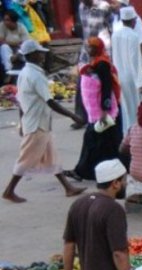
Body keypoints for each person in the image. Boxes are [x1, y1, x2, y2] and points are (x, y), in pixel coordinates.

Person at [3, 40, 85, 203]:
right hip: (37, 124)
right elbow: (50, 102)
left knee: (52, 157)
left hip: (34, 121)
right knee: (25, 159)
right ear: (32, 55)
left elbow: (20, 100)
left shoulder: (24, 73)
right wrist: (73, 116)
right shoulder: (35, 76)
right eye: (39, 53)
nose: (42, 55)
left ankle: (68, 188)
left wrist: (21, 121)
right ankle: (9, 190)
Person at [64, 37, 124, 182]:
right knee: (108, 143)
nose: (89, 50)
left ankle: (82, 171)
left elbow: (106, 87)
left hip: (105, 112)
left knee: (93, 140)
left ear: (98, 48)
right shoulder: (96, 61)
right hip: (103, 112)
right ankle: (115, 169)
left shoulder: (102, 64)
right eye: (88, 47)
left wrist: (105, 109)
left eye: (91, 47)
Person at [74, 0, 113, 128]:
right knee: (82, 83)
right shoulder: (81, 7)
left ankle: (106, 114)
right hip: (87, 50)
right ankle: (81, 117)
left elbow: (111, 28)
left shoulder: (104, 7)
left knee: (103, 85)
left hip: (102, 49)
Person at [111, 6, 142, 134]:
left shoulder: (115, 35)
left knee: (126, 108)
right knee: (136, 106)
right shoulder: (133, 36)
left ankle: (128, 133)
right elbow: (134, 61)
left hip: (119, 75)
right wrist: (139, 83)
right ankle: (138, 133)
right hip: (132, 77)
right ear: (133, 21)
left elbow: (114, 57)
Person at [0, 10, 29, 78]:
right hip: (8, 49)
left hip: (19, 50)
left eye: (7, 20)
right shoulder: (2, 25)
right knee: (4, 47)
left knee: (24, 50)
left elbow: (25, 43)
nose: (5, 22)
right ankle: (8, 71)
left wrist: (17, 52)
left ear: (13, 21)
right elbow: (1, 41)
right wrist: (15, 43)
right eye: (5, 20)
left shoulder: (21, 27)